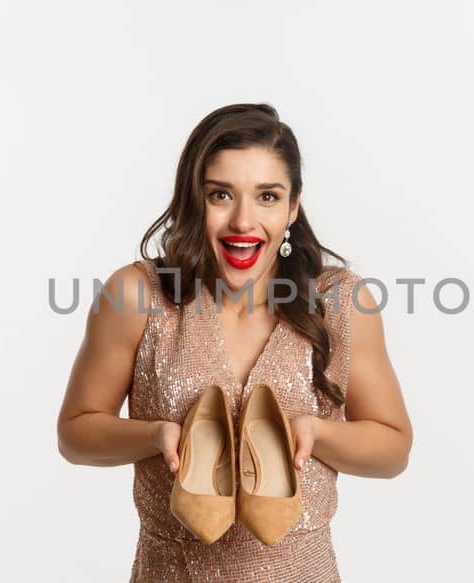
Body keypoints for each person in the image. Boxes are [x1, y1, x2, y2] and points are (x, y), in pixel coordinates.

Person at [56, 103, 413, 582]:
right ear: (193, 200)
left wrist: (317, 433)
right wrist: (156, 435)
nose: (244, 221)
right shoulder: (137, 294)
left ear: (293, 206)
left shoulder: (341, 301)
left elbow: (394, 449)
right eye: (221, 194)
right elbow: (75, 433)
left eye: (267, 196)